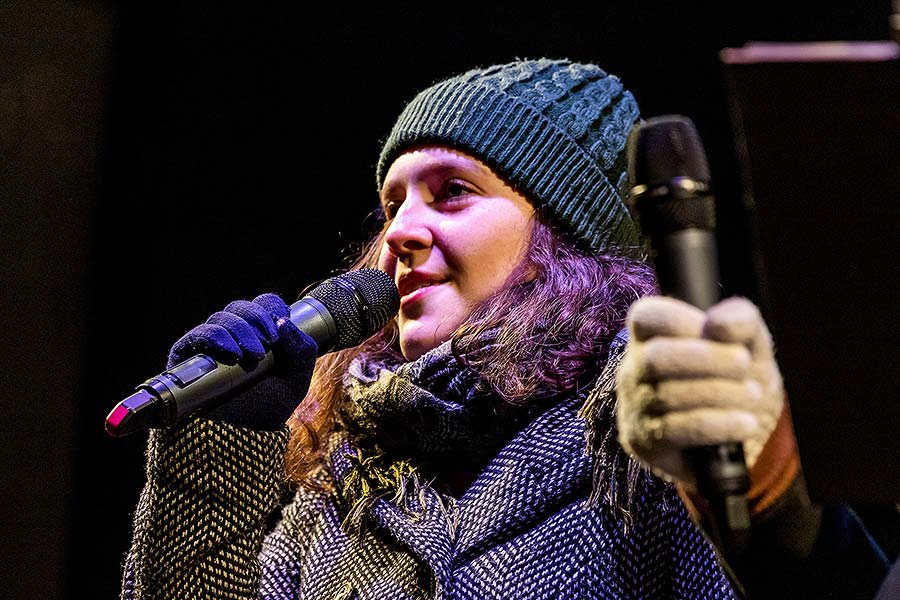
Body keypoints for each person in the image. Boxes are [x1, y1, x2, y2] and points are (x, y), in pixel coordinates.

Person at [119, 58, 896, 599]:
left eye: (452, 192)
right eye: (394, 205)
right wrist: (212, 453)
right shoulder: (338, 498)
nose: (401, 235)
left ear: (562, 240)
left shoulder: (649, 448)